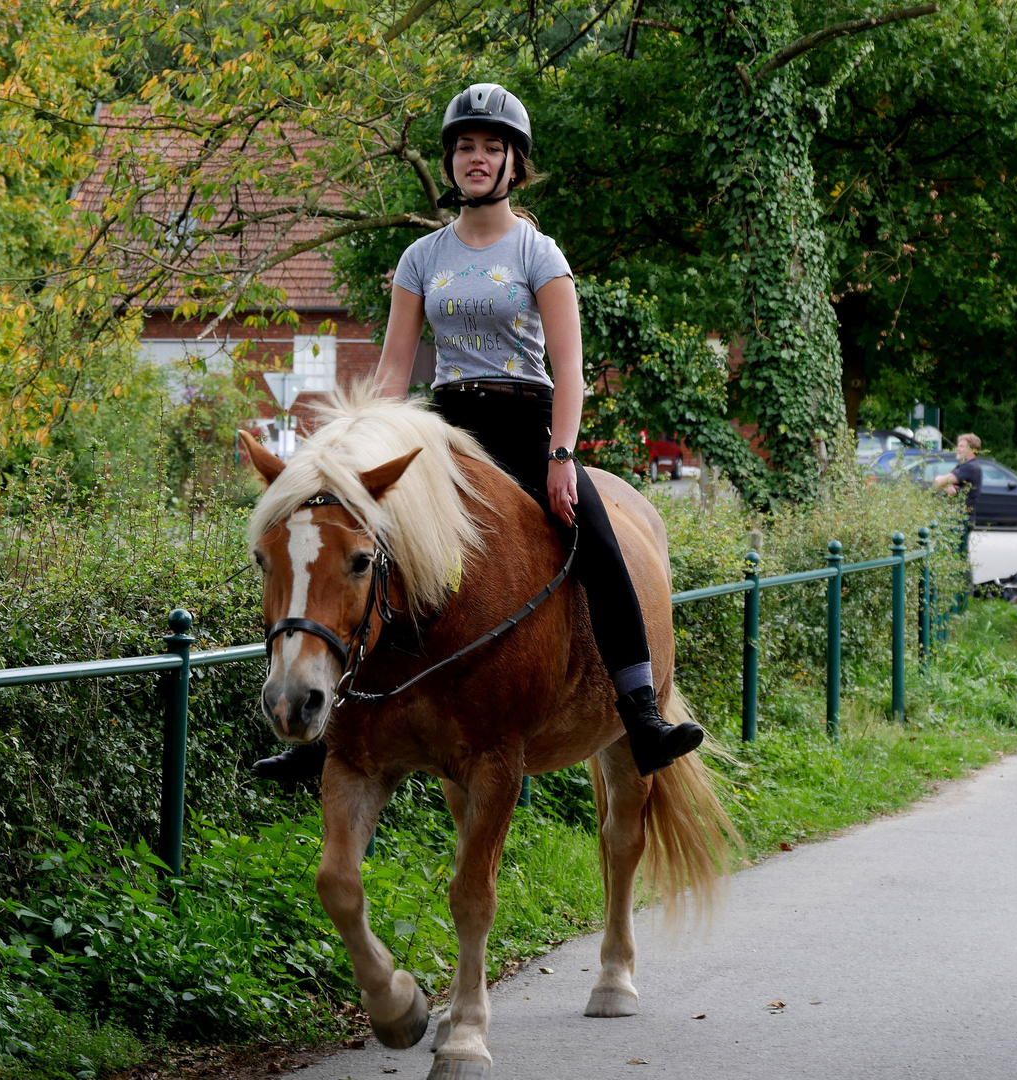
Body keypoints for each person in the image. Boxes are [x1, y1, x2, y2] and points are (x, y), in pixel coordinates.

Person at [252, 83, 704, 783]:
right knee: (351, 553)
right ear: (451, 160)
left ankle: (641, 709)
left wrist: (561, 454)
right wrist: (356, 454)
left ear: (513, 165)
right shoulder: (420, 258)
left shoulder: (539, 252)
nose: (476, 157)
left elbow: (570, 368)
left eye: (492, 147)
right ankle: (320, 737)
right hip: (445, 430)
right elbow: (395, 372)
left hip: (524, 420)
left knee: (601, 538)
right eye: (465, 146)